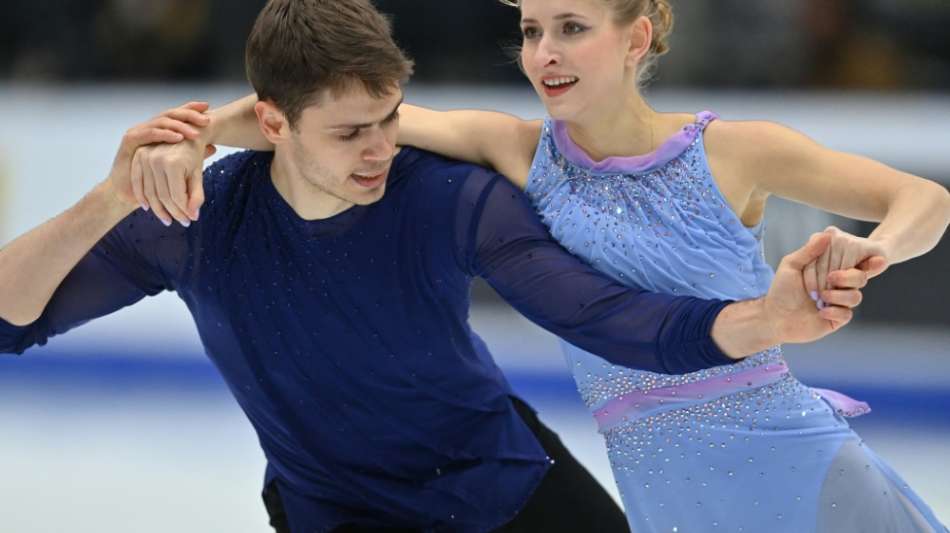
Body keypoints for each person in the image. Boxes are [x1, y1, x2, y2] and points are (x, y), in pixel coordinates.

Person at [19, 1, 870, 532]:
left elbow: (603, 315)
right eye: (350, 133)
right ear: (272, 124)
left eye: (389, 118)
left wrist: (762, 320)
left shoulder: (446, 197)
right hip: (337, 512)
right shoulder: (195, 222)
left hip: (505, 483)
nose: (381, 149)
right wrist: (110, 196)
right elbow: (9, 317)